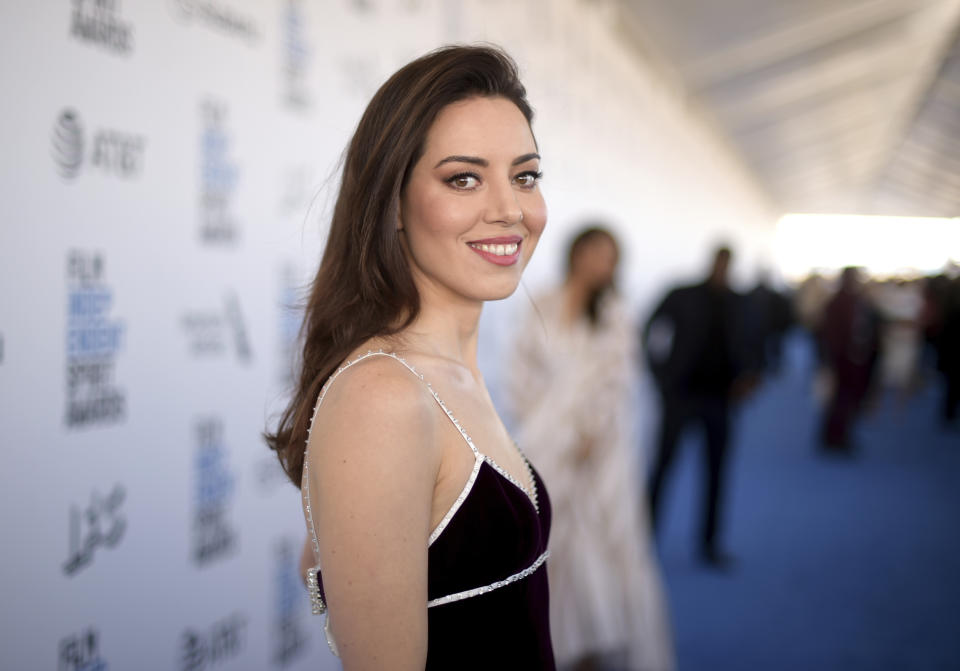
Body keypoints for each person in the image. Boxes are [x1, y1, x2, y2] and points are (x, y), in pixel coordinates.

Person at [264, 46, 554, 669]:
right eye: (463, 178)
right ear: (392, 203)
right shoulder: (384, 398)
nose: (509, 208)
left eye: (525, 175)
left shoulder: (450, 371)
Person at [507, 227, 675, 671]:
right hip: (545, 440)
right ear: (576, 253)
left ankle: (597, 645)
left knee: (601, 542)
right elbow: (520, 366)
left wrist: (589, 432)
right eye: (595, 252)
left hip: (598, 450)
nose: (602, 263)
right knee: (550, 542)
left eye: (611, 256)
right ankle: (554, 642)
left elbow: (617, 380)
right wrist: (541, 417)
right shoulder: (542, 301)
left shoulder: (617, 312)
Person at [643, 246, 752, 569]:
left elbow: (752, 340)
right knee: (663, 469)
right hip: (681, 395)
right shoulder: (682, 294)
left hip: (720, 400)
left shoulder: (738, 301)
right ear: (711, 262)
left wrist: (750, 375)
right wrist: (659, 376)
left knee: (717, 474)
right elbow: (649, 329)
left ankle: (710, 544)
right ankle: (644, 542)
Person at [817, 267, 882, 453]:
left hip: (853, 360)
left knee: (846, 399)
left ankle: (839, 435)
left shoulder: (857, 301)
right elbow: (830, 334)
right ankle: (834, 437)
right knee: (840, 399)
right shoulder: (838, 302)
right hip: (843, 360)